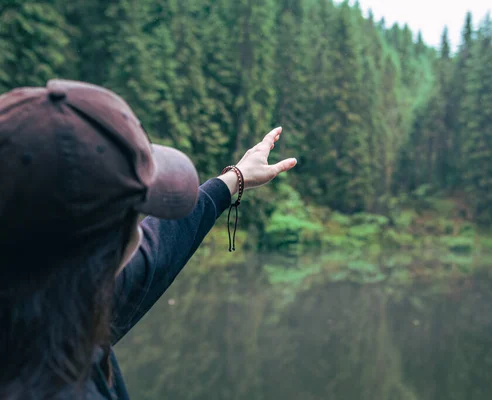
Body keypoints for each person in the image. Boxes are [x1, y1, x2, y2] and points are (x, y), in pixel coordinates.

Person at [0, 79, 297, 399]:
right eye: (134, 212)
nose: (140, 229)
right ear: (99, 248)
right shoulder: (56, 374)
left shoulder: (44, 304)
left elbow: (156, 253)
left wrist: (233, 180)